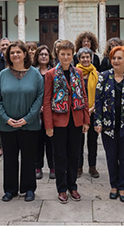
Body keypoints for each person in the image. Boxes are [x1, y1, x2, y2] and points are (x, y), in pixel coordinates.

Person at [0, 41, 44, 202]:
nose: (15, 55)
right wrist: (6, 119)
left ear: (25, 54)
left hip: (30, 125)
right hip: (7, 125)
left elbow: (39, 98)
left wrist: (27, 119)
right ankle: (10, 190)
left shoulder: (35, 74)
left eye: (18, 52)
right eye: (12, 52)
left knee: (29, 158)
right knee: (9, 158)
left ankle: (29, 189)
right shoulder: (2, 75)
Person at [94, 46, 124, 202]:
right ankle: (113, 186)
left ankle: (123, 187)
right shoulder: (103, 76)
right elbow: (98, 100)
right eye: (114, 58)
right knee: (111, 157)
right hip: (108, 125)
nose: (116, 61)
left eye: (119, 58)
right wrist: (97, 120)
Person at [43, 40, 90, 204]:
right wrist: (48, 125)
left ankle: (73, 186)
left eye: (68, 54)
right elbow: (47, 100)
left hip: (76, 121)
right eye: (62, 54)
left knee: (74, 155)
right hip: (58, 121)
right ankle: (61, 188)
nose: (65, 57)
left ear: (73, 55)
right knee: (60, 156)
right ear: (58, 54)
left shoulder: (77, 72)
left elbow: (84, 96)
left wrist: (86, 120)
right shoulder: (50, 74)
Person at [75, 47, 100, 179]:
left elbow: (100, 94)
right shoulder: (74, 73)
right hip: (79, 111)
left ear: (91, 58)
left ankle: (92, 166)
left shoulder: (96, 74)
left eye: (87, 57)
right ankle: (79, 166)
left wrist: (93, 108)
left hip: (93, 111)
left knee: (93, 140)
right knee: (78, 141)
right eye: (82, 57)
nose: (85, 59)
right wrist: (84, 109)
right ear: (79, 59)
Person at [32, 45, 55, 180]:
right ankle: (37, 167)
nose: (44, 57)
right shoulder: (33, 72)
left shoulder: (54, 72)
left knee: (51, 141)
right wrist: (38, 107)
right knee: (38, 142)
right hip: (36, 113)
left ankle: (53, 167)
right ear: (37, 56)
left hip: (51, 113)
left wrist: (48, 107)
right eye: (41, 54)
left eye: (46, 54)